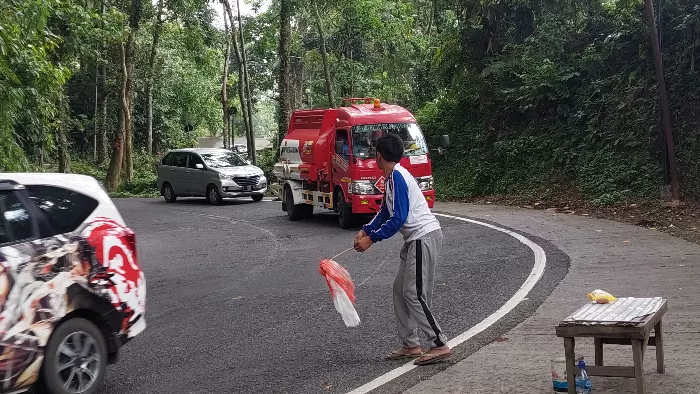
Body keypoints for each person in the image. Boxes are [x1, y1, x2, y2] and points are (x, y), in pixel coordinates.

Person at [353, 133, 451, 366]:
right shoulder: (391, 179)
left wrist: (372, 239)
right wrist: (367, 230)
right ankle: (411, 344)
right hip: (415, 240)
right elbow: (386, 213)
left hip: (423, 237)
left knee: (414, 293)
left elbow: (399, 218)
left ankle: (439, 344)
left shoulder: (397, 176)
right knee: (400, 289)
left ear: (378, 155)